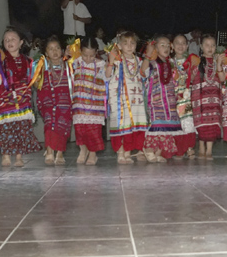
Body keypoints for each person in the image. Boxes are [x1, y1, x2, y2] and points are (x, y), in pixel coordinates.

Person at [0, 28, 43, 167]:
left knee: (21, 129)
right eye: (6, 40)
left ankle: (18, 156)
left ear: (21, 42)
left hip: (23, 101)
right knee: (6, 129)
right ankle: (5, 155)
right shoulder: (1, 59)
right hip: (6, 101)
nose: (9, 42)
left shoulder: (28, 61)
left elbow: (34, 81)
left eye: (13, 39)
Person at [105, 31, 148, 164]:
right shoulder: (116, 60)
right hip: (120, 99)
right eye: (125, 43)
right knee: (121, 124)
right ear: (119, 45)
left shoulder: (138, 60)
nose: (129, 46)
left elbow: (144, 74)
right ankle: (120, 152)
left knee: (132, 125)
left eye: (132, 43)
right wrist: (111, 61)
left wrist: (148, 57)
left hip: (135, 99)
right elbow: (107, 76)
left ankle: (128, 152)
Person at [141, 35, 181, 163]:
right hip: (156, 101)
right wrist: (148, 54)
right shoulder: (153, 63)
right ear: (155, 48)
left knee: (166, 127)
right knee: (156, 126)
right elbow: (143, 71)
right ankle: (148, 150)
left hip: (169, 101)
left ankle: (158, 152)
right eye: (161, 45)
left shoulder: (171, 63)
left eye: (167, 45)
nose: (166, 47)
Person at [35, 36, 73, 165]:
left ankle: (60, 152)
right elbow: (35, 83)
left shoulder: (68, 65)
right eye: (50, 49)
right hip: (48, 102)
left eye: (57, 48)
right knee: (50, 124)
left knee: (63, 126)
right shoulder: (41, 66)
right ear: (46, 53)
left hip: (65, 102)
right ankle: (50, 151)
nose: (54, 51)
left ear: (62, 50)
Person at [71, 38, 106, 165]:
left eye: (91, 55)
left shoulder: (101, 65)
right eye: (85, 55)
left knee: (93, 131)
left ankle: (92, 154)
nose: (88, 58)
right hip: (79, 103)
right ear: (80, 52)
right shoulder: (76, 63)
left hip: (94, 106)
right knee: (80, 130)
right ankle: (83, 150)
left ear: (96, 52)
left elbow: (107, 78)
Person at [192, 34, 223, 160]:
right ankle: (201, 146)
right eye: (207, 45)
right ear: (201, 46)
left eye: (213, 45)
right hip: (199, 97)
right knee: (202, 123)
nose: (210, 48)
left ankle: (209, 150)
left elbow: (222, 79)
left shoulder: (217, 61)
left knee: (212, 123)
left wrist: (220, 64)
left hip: (214, 96)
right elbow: (190, 79)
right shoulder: (196, 61)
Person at [170, 34, 200, 159]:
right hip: (174, 97)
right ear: (172, 46)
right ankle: (178, 149)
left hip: (187, 97)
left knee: (187, 121)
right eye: (177, 42)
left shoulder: (192, 61)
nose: (180, 46)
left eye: (183, 43)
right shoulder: (169, 62)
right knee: (176, 122)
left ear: (187, 46)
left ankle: (189, 147)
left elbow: (193, 79)